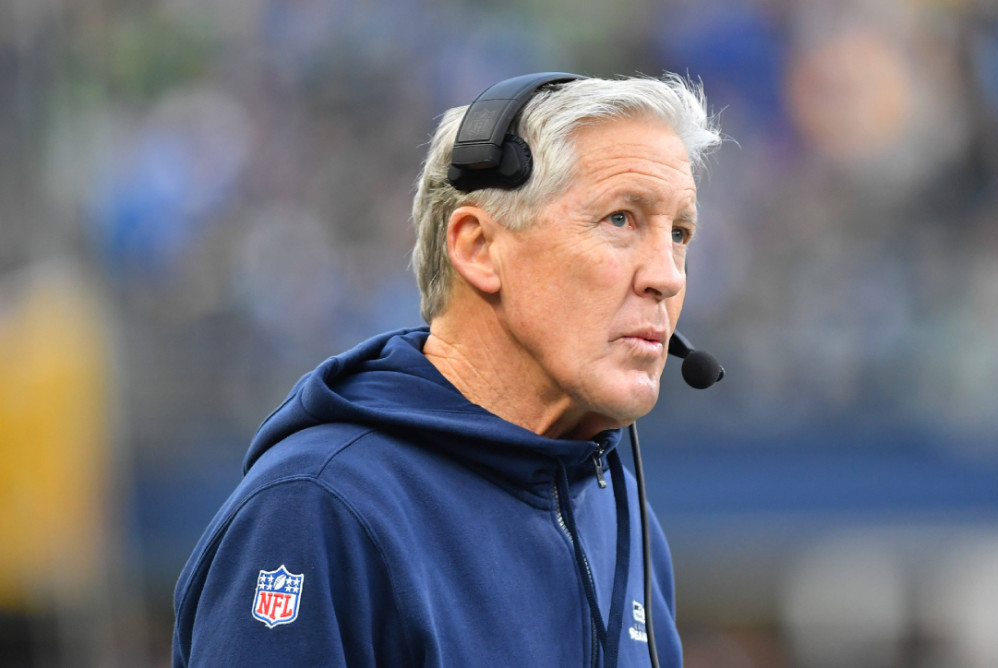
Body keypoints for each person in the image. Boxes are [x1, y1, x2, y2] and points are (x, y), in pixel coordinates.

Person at [172, 72, 722, 667]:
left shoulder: (622, 511)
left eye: (679, 232)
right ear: (478, 248)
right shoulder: (315, 508)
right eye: (621, 219)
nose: (666, 275)